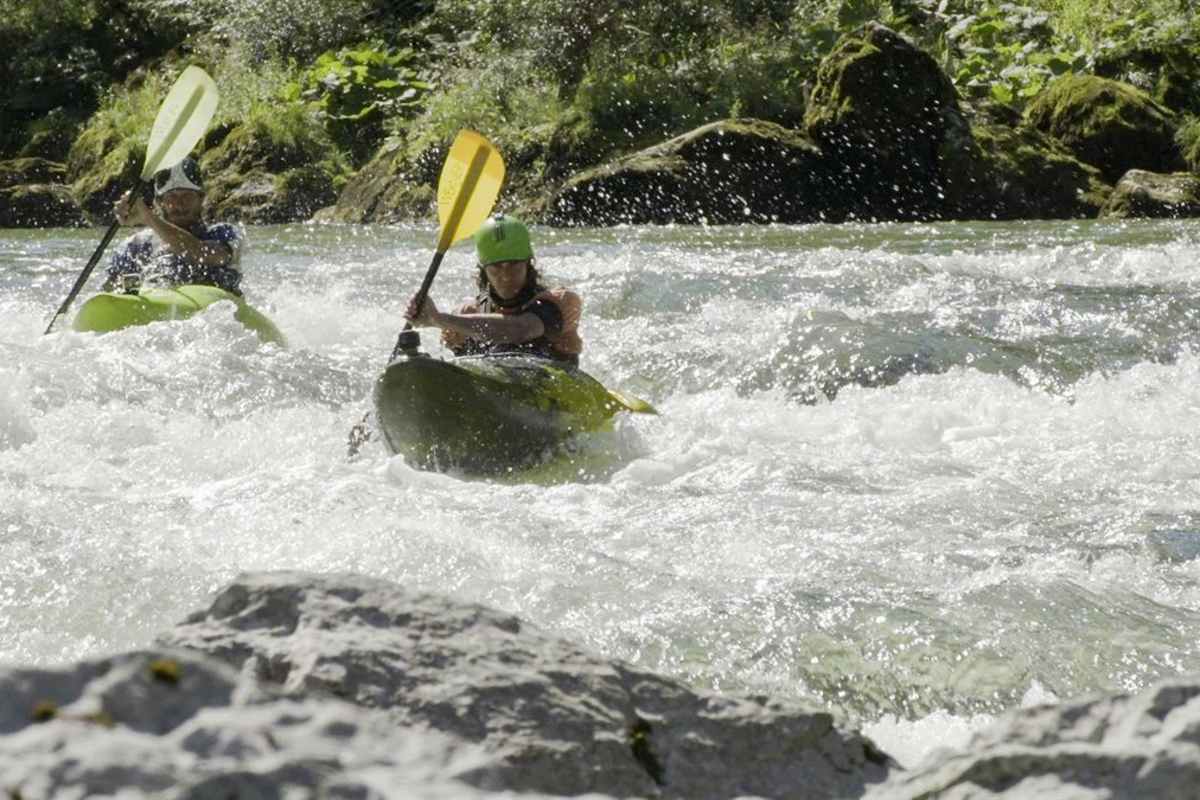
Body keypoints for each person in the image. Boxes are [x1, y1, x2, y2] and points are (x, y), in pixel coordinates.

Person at [404, 215, 583, 364]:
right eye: (496, 267)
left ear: (529, 264)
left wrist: (439, 319)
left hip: (555, 392)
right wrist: (422, 315)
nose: (506, 276)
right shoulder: (467, 313)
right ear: (483, 270)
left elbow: (520, 330)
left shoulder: (560, 302)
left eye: (513, 265)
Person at [102, 156, 244, 295]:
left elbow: (203, 254)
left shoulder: (224, 233)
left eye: (187, 196)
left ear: (201, 198)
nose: (179, 204)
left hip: (216, 311)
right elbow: (108, 289)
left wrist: (148, 218)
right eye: (172, 197)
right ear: (160, 202)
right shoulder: (136, 245)